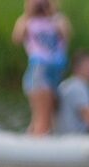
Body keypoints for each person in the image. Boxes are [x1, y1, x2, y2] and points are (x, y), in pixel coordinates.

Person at [12, 0, 71, 135]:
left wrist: (51, 13)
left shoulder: (58, 19)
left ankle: (31, 144)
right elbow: (17, 38)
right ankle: (35, 148)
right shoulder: (27, 21)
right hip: (39, 72)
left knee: (47, 120)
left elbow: (67, 34)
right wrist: (29, 13)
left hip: (56, 73)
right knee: (42, 121)